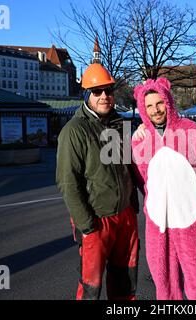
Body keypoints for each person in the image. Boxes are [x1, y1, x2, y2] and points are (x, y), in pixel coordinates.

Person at [56, 62, 139, 300]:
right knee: (91, 288)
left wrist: (132, 207)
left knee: (125, 281)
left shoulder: (119, 124)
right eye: (97, 91)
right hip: (96, 220)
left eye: (108, 91)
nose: (104, 96)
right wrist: (86, 226)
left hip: (125, 218)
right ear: (87, 94)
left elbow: (127, 169)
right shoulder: (74, 131)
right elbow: (68, 183)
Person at [132, 78, 196, 300]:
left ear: (168, 101)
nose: (155, 110)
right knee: (163, 278)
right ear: (143, 109)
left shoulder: (192, 131)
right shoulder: (140, 140)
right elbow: (143, 181)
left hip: (192, 217)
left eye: (159, 103)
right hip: (159, 221)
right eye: (149, 106)